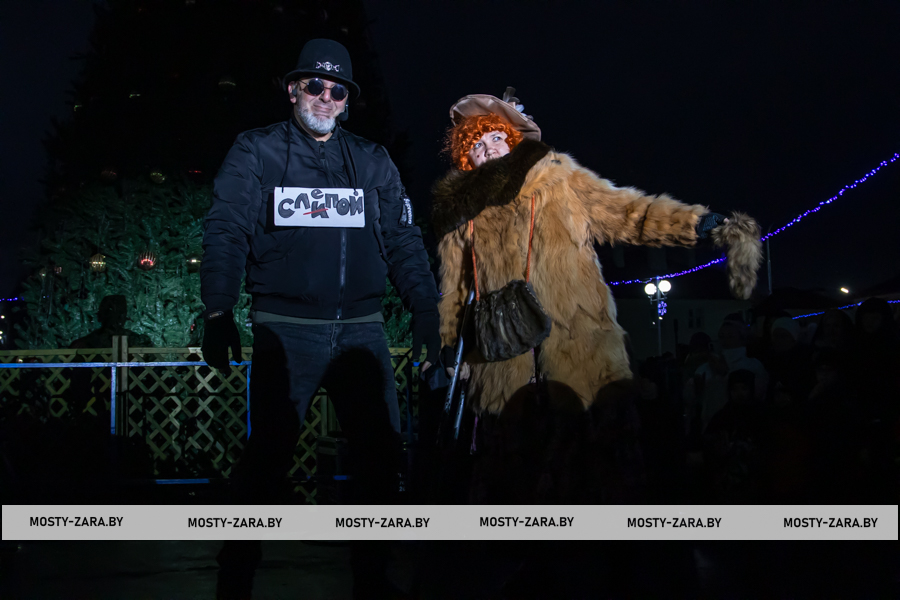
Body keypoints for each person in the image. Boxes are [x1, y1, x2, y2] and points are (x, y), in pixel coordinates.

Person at [432, 91, 762, 502]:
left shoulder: (558, 180)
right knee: (516, 485)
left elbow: (627, 213)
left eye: (495, 138)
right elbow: (455, 290)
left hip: (578, 350)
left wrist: (696, 223)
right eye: (477, 146)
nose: (488, 150)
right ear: (468, 159)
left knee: (595, 478)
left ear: (512, 140)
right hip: (503, 365)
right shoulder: (461, 217)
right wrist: (451, 348)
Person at [200, 39, 440, 600]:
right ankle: (235, 580)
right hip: (286, 330)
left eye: (337, 90)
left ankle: (371, 579)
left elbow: (404, 240)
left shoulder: (373, 159)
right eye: (314, 85)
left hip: (362, 331)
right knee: (267, 461)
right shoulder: (256, 150)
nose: (325, 97)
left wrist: (427, 312)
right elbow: (226, 228)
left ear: (347, 101)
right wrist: (217, 308)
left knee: (380, 459)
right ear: (293, 90)